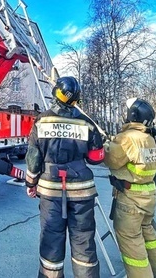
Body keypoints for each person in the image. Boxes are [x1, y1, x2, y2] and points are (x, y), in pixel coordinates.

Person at [25, 76, 105, 278]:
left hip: (51, 192)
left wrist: (31, 183)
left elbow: (34, 157)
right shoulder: (87, 123)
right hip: (82, 192)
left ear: (56, 94)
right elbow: (96, 158)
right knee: (83, 241)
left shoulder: (42, 121)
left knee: (51, 239)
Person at [103, 98, 156, 278]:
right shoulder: (148, 138)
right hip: (148, 196)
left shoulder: (127, 138)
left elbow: (111, 158)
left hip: (130, 199)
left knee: (131, 243)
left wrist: (105, 144)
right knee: (149, 235)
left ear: (132, 115)